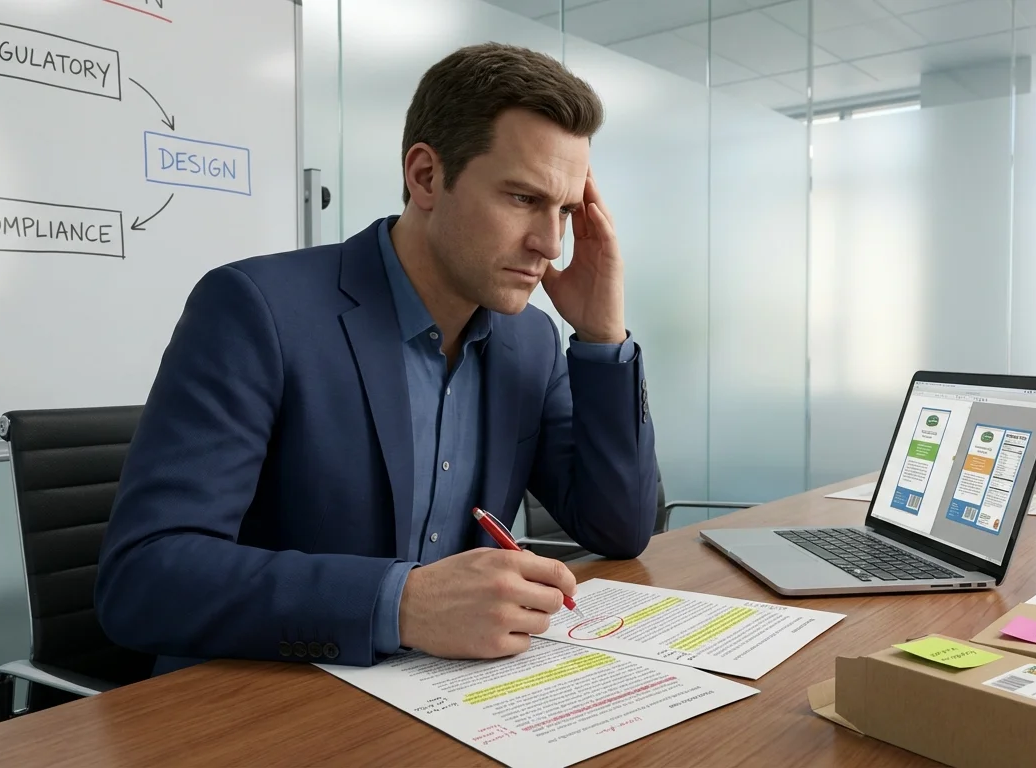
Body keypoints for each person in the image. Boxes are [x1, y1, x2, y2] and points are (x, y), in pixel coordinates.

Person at [95, 43, 658, 675]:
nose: (551, 245)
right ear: (425, 177)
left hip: (448, 697)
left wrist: (603, 338)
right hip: (273, 699)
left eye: (564, 210)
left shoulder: (529, 339)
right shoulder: (257, 310)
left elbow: (618, 529)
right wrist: (403, 604)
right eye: (523, 199)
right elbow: (144, 578)